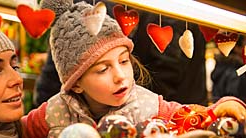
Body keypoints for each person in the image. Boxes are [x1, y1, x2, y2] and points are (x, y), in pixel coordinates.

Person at [22, 0, 246, 138]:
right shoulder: (55, 111)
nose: (121, 77)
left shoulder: (148, 105)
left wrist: (222, 106)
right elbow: (14, 136)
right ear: (76, 83)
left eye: (124, 61)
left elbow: (192, 117)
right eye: (102, 69)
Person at [34, 0, 208, 106]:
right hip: (117, 115)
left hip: (172, 117)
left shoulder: (170, 10)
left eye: (124, 62)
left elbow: (166, 72)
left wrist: (125, 109)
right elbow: (65, 56)